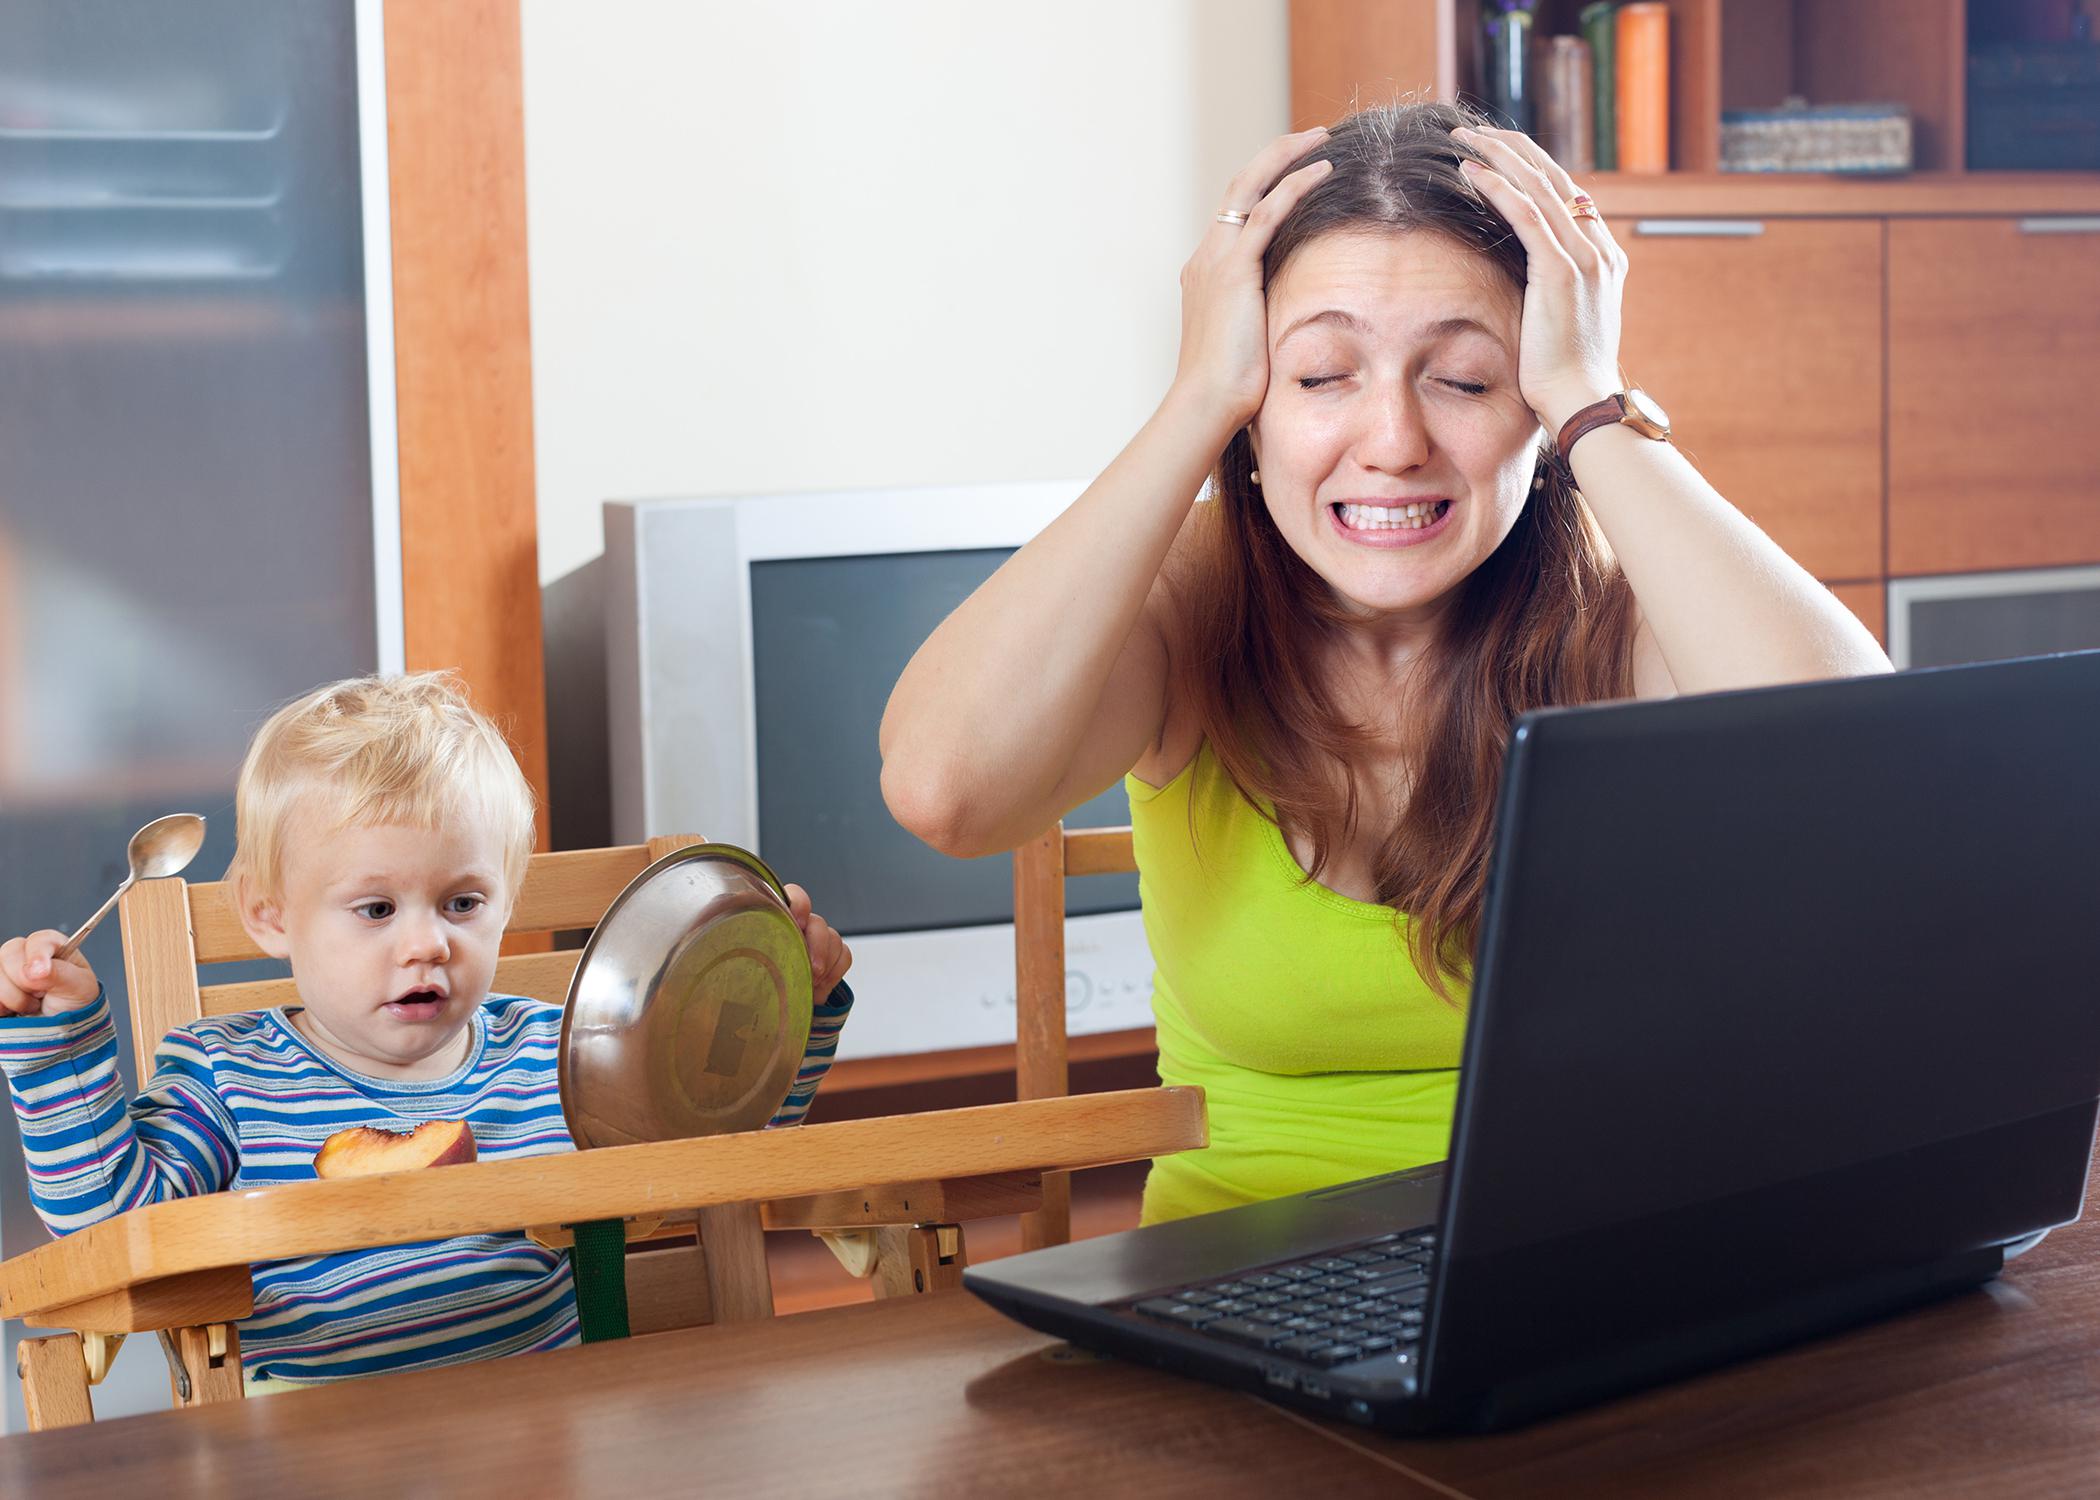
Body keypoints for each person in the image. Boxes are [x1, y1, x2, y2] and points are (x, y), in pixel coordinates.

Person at [879, 102, 1889, 1225]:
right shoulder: (1193, 601)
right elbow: (944, 790)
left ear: (1534, 410)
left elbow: (1857, 781)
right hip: (1246, 1284)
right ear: (1255, 406)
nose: (1396, 440)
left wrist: (1595, 403)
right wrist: (1193, 403)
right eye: (1320, 377)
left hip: (1595, 1265)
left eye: (1465, 379)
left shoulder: (1619, 610)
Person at [0, 672, 854, 1387]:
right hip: (310, 1455)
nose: (427, 944)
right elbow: (109, 1226)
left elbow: (723, 1146)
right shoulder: (225, 1077)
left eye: (463, 903)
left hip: (557, 1425)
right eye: (375, 908)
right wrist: (60, 1042)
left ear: (504, 901)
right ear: (268, 914)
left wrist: (794, 1005)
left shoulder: (560, 1059)